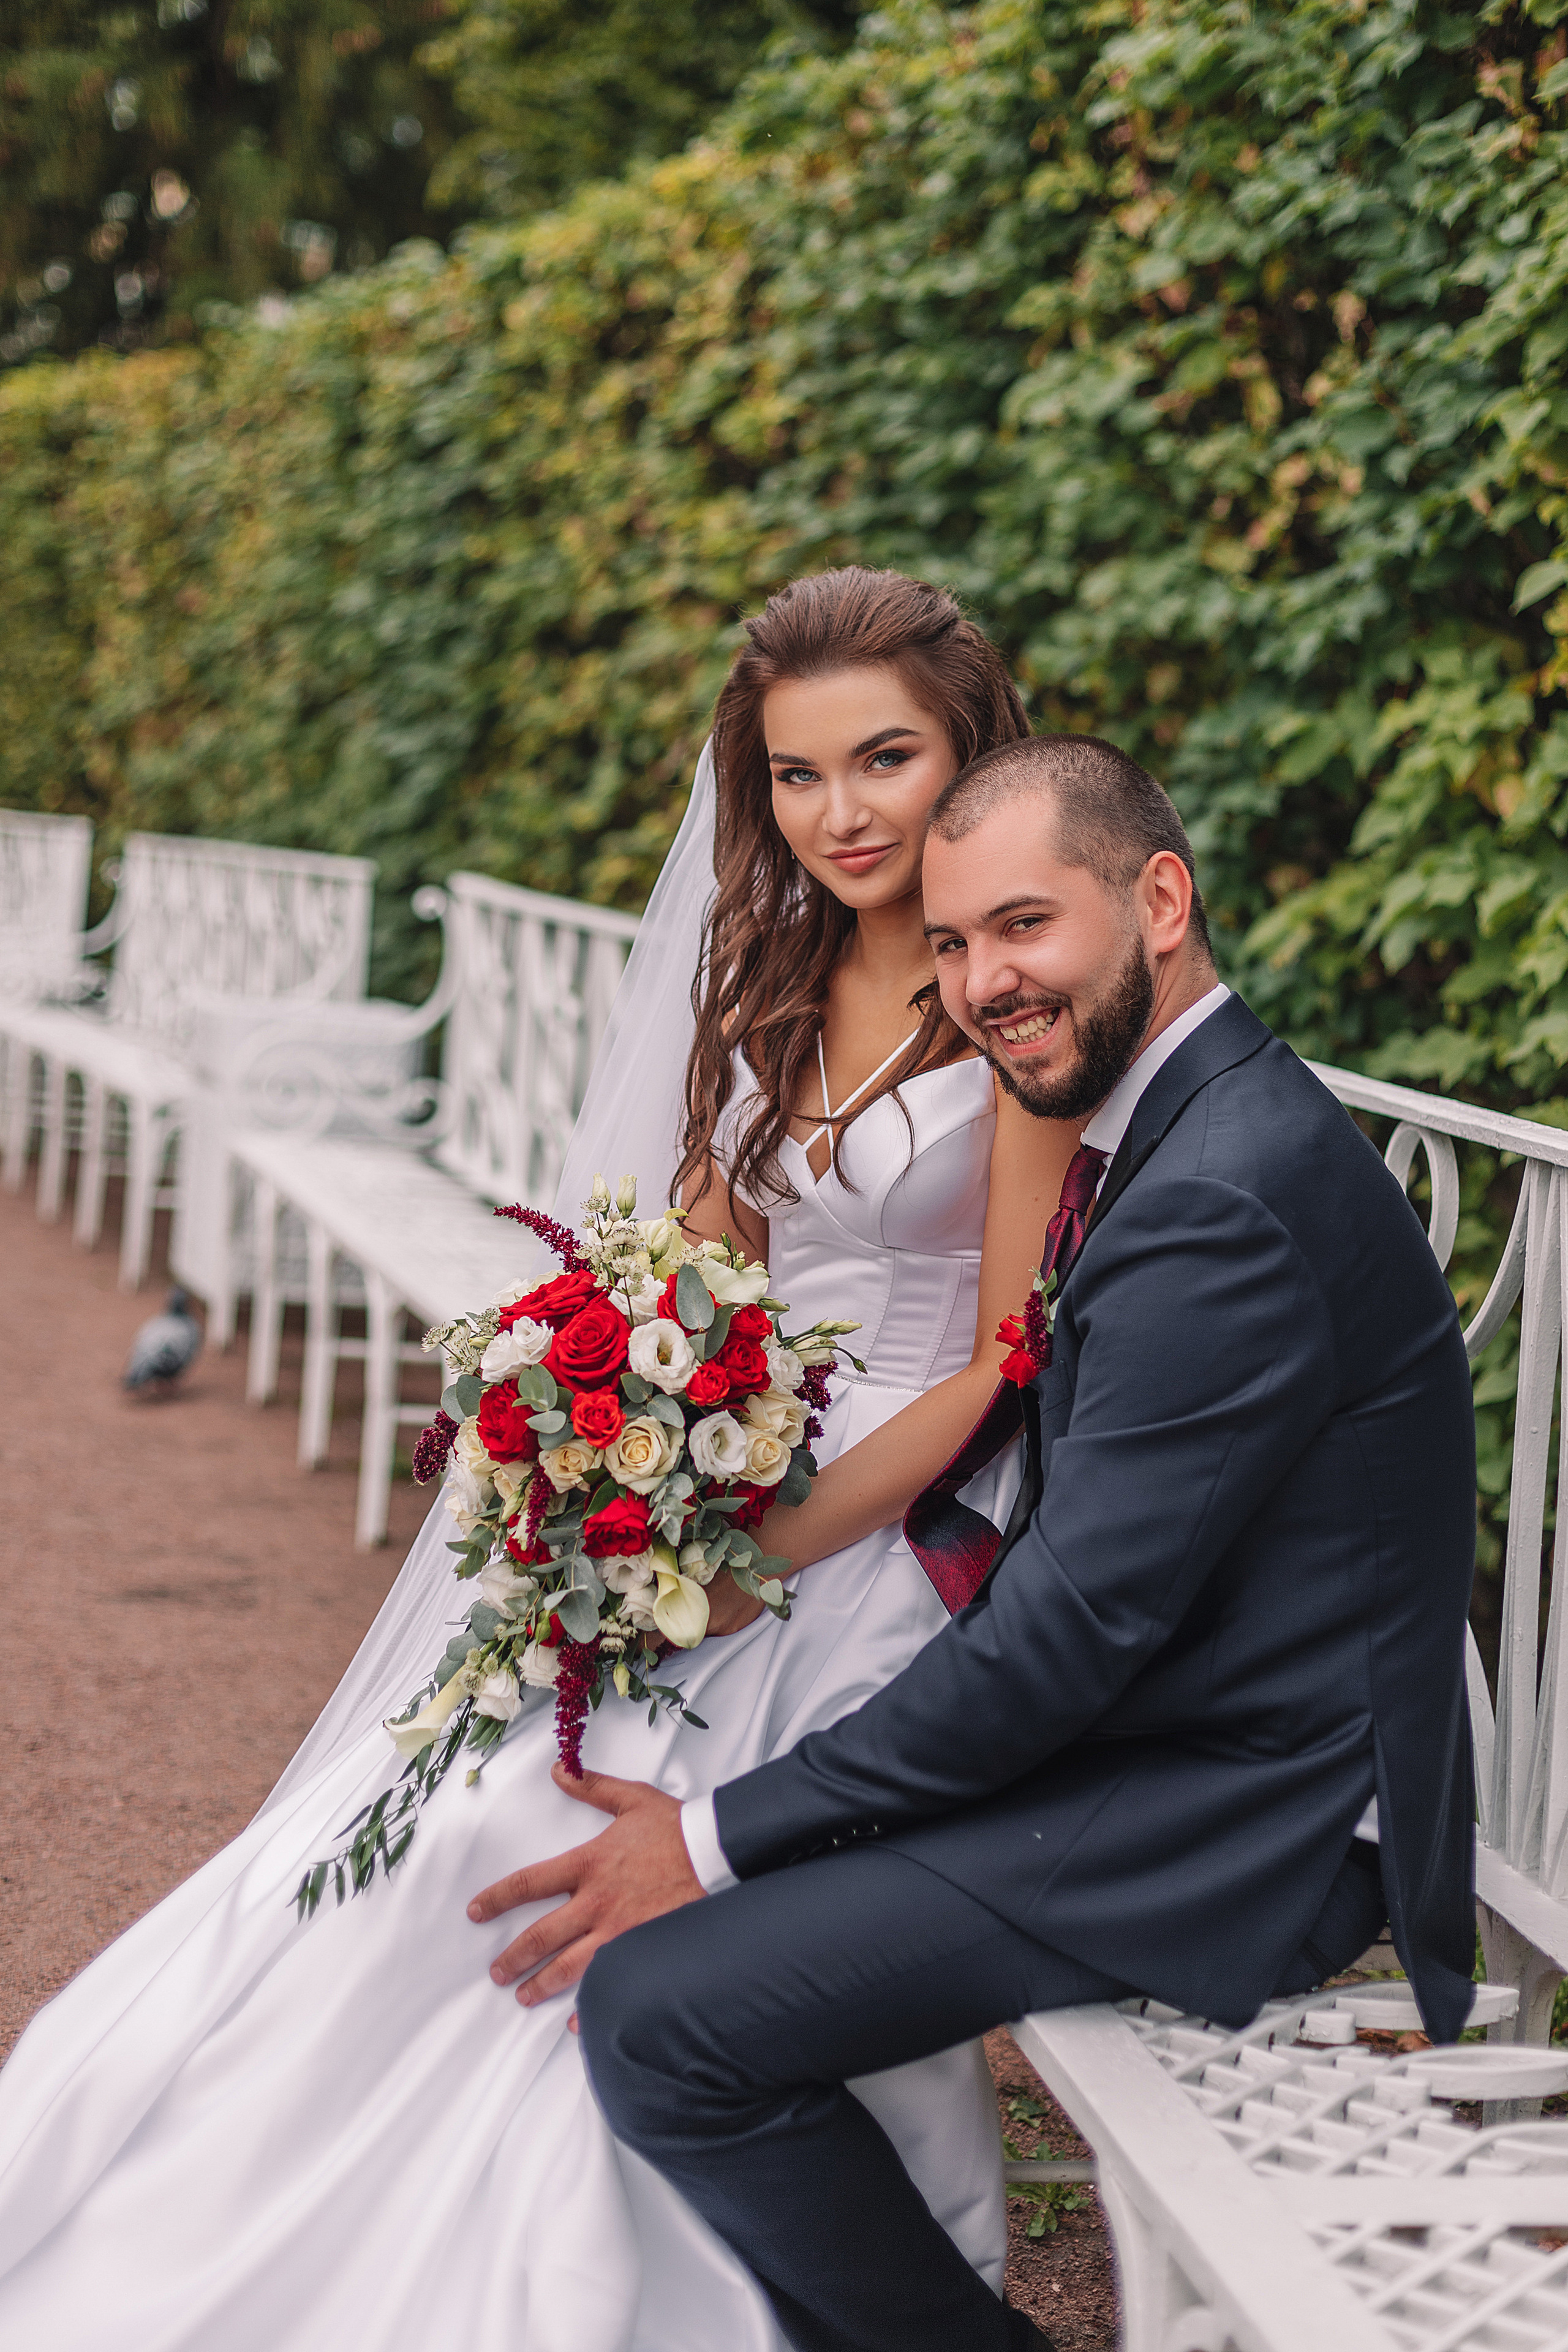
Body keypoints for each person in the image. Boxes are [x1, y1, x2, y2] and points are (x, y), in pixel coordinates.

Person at [0, 570, 1082, 2351]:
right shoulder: (772, 978)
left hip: (905, 1516)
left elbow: (996, 1358)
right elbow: (690, 1278)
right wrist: (615, 1459)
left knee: (565, 1829)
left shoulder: (1009, 996)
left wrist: (772, 1544)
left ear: (972, 743)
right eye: (800, 778)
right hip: (723, 1497)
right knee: (439, 1815)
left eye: (887, 758)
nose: (845, 814)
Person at [467, 731, 1479, 2352]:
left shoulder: (1221, 1190)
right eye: (950, 944)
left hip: (1244, 1825)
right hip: (1175, 1743)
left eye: (1025, 926)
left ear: (1159, 900)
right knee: (745, 1847)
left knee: (666, 2014)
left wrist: (713, 1836)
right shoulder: (1186, 1120)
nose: (983, 980)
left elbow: (1069, 1633)